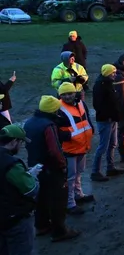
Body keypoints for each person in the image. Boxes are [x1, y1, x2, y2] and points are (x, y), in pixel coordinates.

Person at [23, 95, 80, 242]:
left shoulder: (29, 123)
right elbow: (54, 150)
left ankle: (41, 225)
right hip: (51, 168)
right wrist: (62, 166)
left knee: (41, 197)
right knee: (58, 199)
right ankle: (59, 230)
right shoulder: (48, 126)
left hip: (35, 166)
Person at [0, 124, 40, 255]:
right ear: (13, 141)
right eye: (21, 142)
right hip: (15, 219)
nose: (21, 146)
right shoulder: (11, 164)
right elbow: (31, 189)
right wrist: (32, 176)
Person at [56, 82, 95, 215]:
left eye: (70, 93)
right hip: (69, 149)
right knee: (70, 177)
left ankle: (78, 194)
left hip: (81, 145)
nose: (67, 96)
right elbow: (55, 129)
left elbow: (86, 118)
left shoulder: (81, 103)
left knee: (79, 173)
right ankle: (70, 203)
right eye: (64, 94)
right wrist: (67, 136)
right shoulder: (58, 108)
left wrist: (91, 130)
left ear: (75, 93)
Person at [91, 64, 124, 182]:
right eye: (113, 73)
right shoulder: (100, 86)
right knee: (103, 146)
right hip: (106, 120)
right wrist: (110, 116)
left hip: (112, 119)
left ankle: (110, 167)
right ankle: (95, 171)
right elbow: (99, 105)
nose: (115, 74)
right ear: (107, 73)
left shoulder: (108, 83)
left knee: (113, 144)